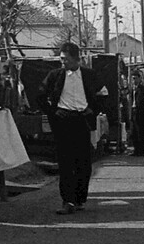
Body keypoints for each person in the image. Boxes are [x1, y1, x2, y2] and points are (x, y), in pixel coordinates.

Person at [38, 42, 107, 214]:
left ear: (77, 59)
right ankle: (67, 201)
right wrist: (53, 112)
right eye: (61, 59)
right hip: (63, 121)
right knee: (65, 162)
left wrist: (93, 109)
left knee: (83, 163)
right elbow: (40, 95)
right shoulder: (55, 75)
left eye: (67, 59)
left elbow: (104, 93)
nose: (64, 63)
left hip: (82, 120)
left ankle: (80, 199)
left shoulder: (90, 76)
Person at [129, 71, 144, 156]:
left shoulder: (143, 89)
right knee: (134, 132)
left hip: (140, 112)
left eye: (135, 78)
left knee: (140, 132)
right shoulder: (131, 89)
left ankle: (142, 150)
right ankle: (136, 150)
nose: (134, 80)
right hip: (133, 111)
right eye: (132, 79)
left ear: (139, 78)